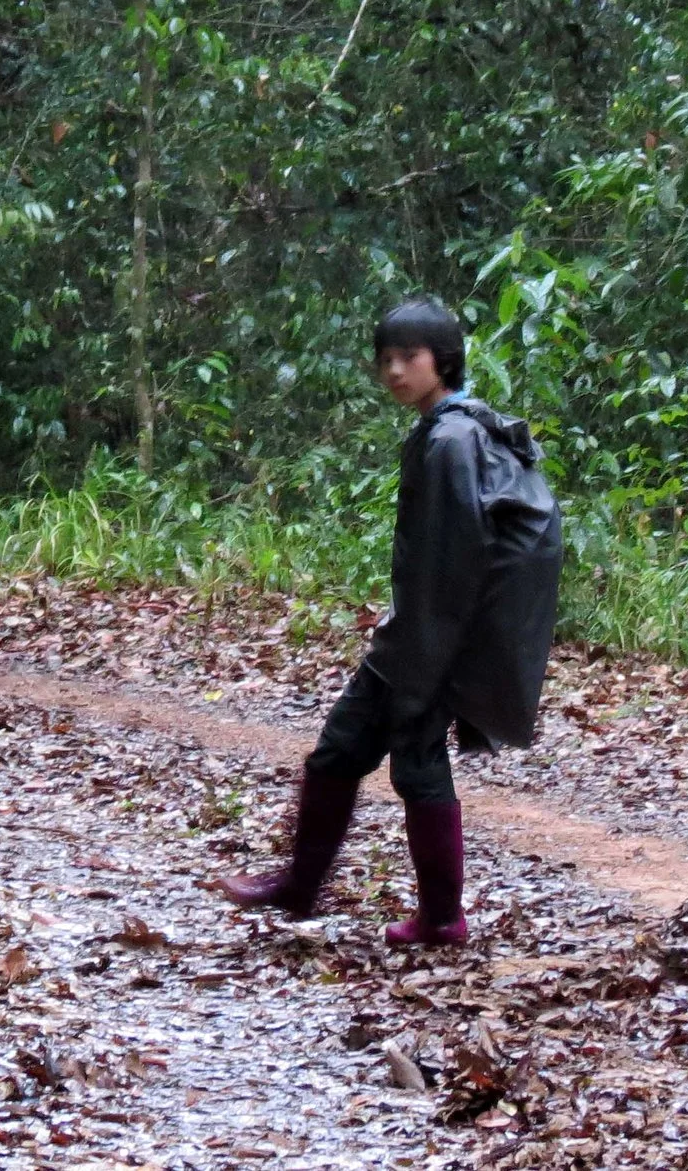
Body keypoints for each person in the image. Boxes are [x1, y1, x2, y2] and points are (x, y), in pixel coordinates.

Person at [217, 299, 564, 945]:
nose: (395, 371)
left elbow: (451, 562)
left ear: (443, 360)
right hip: (419, 637)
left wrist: (425, 658)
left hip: (432, 643)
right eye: (385, 360)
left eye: (410, 357)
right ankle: (301, 886)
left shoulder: (453, 440)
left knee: (417, 761)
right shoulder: (450, 429)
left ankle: (441, 919)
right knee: (340, 750)